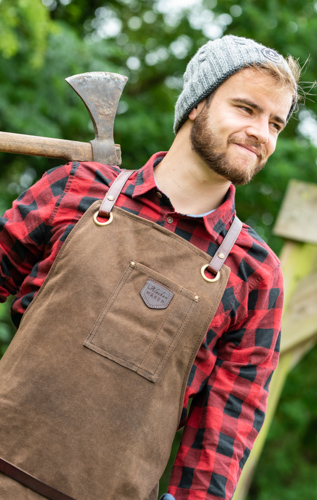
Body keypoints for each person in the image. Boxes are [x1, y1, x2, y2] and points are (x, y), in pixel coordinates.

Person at [0, 35, 301, 500]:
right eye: (246, 109)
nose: (262, 133)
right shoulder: (75, 189)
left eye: (276, 123)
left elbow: (222, 437)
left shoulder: (255, 274)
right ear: (197, 106)